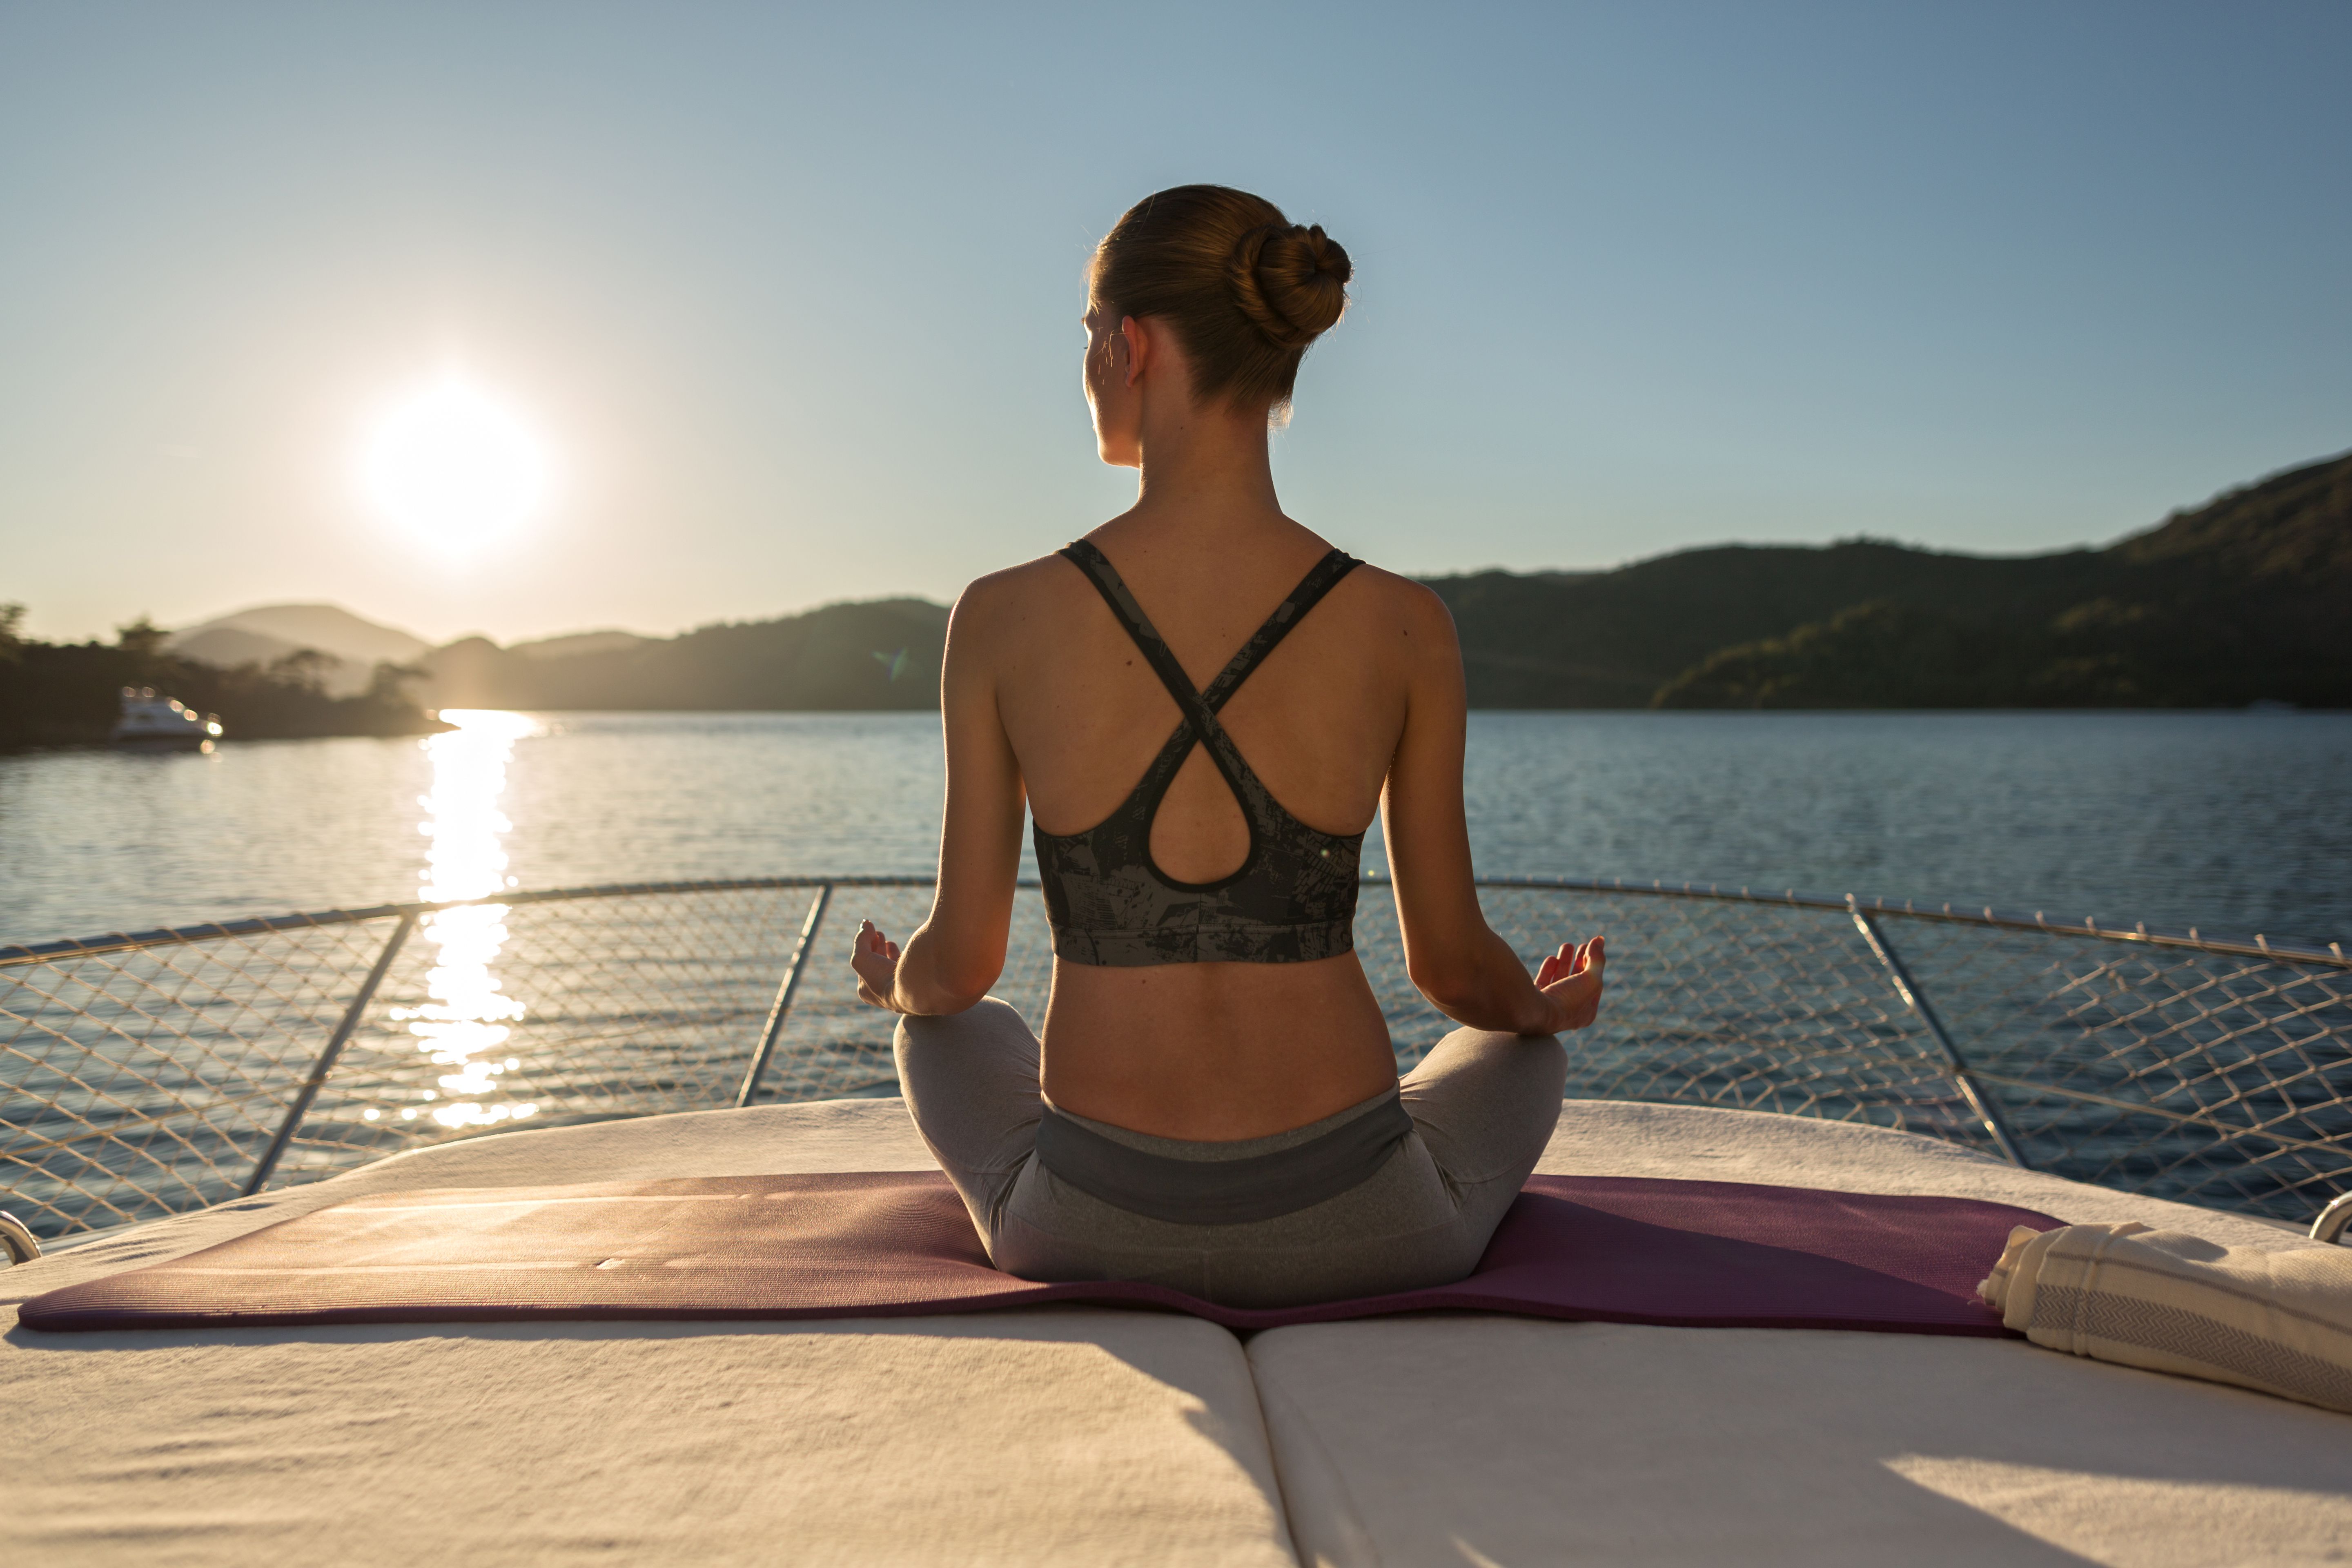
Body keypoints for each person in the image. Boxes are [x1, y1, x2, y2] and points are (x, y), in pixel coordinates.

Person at [849, 184, 1606, 1309]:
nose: (1088, 369)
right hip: (1370, 1227)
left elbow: (960, 967)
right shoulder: (1405, 624)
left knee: (951, 1032)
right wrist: (1547, 1011)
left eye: (1087, 341)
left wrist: (895, 986)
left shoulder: (1000, 616)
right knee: (1517, 1056)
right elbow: (1456, 973)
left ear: (1130, 342)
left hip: (1085, 1223)